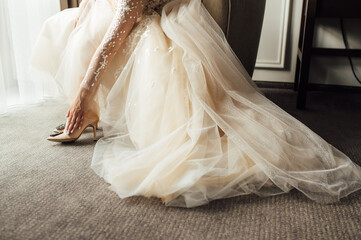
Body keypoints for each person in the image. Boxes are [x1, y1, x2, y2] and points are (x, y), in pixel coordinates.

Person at [30, 0, 361, 208]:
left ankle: (88, 109)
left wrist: (81, 96)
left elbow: (120, 27)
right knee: (68, 24)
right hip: (122, 11)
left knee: (98, 42)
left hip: (143, 19)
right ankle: (94, 110)